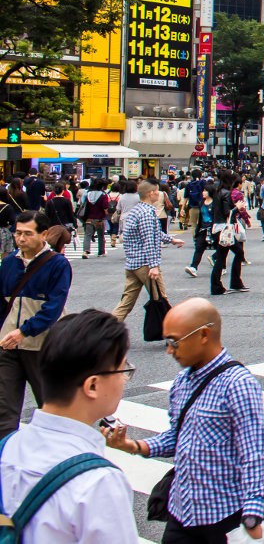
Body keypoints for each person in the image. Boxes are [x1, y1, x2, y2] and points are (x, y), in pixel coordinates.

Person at [103, 298, 264, 542]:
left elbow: (253, 453)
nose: (169, 350)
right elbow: (177, 436)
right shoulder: (182, 381)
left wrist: (253, 513)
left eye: (174, 341)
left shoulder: (238, 384)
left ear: (203, 334)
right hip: (181, 513)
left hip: (222, 519)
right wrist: (133, 446)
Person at [0, 309, 139, 543]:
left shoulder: (7, 447)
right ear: (92, 385)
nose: (124, 380)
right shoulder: (99, 482)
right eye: (123, 370)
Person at [0, 210, 72, 435]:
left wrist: (24, 331)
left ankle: (56, 458)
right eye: (17, 233)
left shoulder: (58, 264)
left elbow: (53, 308)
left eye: (27, 234)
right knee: (4, 410)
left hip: (41, 345)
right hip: (7, 345)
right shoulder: (9, 262)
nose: (21, 239)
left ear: (44, 234)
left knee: (49, 405)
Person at [111, 182, 185, 321]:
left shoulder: (137, 210)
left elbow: (152, 233)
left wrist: (171, 240)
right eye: (157, 191)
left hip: (133, 263)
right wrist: (154, 265)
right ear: (150, 193)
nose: (159, 193)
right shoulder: (146, 213)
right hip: (145, 264)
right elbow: (148, 240)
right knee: (161, 299)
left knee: (126, 303)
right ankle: (172, 333)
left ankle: (104, 331)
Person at [79, 178, 110, 259]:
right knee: (100, 236)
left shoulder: (87, 194)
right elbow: (105, 208)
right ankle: (101, 251)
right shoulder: (103, 195)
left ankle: (85, 251)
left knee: (87, 235)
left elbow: (82, 204)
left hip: (89, 218)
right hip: (100, 218)